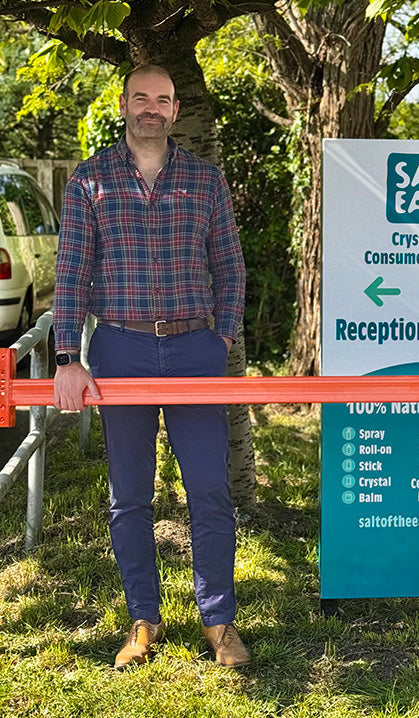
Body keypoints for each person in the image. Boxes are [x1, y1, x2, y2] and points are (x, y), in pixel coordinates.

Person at [52, 65, 249, 669]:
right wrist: (67, 357)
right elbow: (71, 274)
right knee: (129, 496)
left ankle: (218, 622)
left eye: (162, 100)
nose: (151, 108)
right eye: (141, 97)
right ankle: (144, 621)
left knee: (210, 490)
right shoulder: (91, 180)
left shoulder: (205, 179)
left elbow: (230, 265)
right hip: (120, 350)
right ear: (124, 104)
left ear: (173, 108)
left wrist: (223, 335)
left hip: (195, 350)